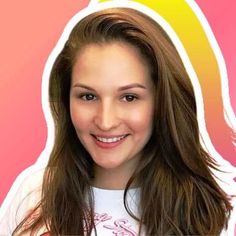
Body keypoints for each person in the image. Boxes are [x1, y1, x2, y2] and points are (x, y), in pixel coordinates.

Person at [0, 6, 234, 236]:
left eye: (129, 97)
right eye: (88, 96)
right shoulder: (33, 193)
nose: (106, 121)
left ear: (162, 101)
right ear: (66, 99)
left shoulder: (220, 212)